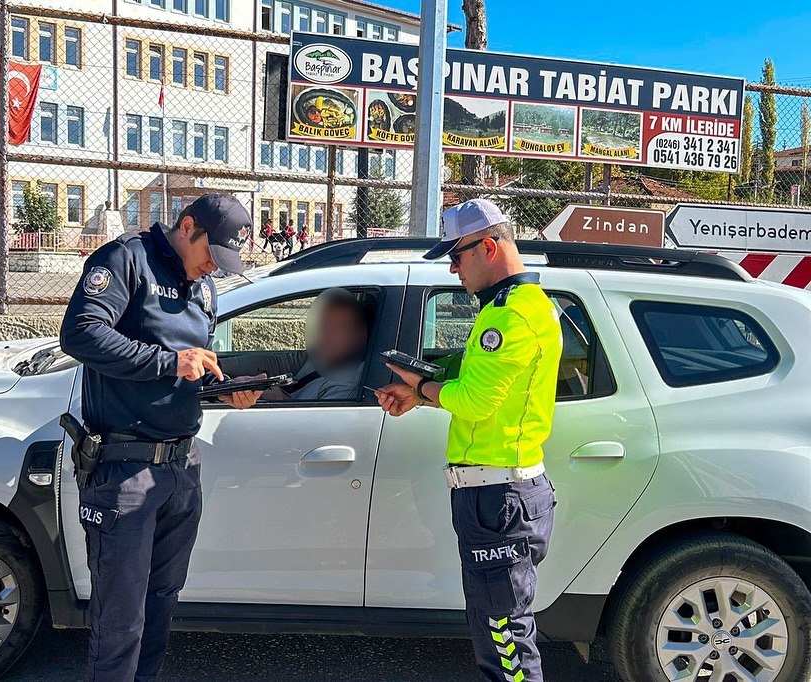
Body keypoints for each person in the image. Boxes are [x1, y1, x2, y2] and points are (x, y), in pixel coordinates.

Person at [60, 194, 262, 682]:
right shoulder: (126, 259)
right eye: (211, 253)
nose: (214, 267)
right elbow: (81, 335)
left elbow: (194, 363)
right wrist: (168, 362)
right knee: (120, 617)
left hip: (179, 469)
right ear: (186, 226)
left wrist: (223, 389)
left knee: (160, 605)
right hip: (125, 470)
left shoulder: (205, 287)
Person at [376, 199, 561, 682]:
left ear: (490, 247)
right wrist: (425, 396)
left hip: (498, 497)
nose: (454, 268)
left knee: (504, 638)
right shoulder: (520, 307)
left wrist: (418, 388)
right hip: (498, 494)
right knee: (498, 629)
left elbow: (476, 402)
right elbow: (481, 394)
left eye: (457, 256)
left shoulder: (508, 318)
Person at [221, 288, 370, 401]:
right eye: (324, 325)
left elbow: (314, 430)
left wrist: (281, 401)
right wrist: (217, 366)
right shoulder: (326, 356)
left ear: (360, 335)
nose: (326, 335)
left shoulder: (346, 387)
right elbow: (275, 363)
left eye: (339, 328)